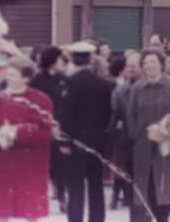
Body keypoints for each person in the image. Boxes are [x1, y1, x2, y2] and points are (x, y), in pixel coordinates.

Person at [0, 56, 54, 221]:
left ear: (25, 78)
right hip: (5, 161)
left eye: (13, 74)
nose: (8, 77)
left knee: (30, 207)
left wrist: (17, 132)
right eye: (7, 73)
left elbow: (46, 131)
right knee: (2, 208)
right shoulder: (1, 99)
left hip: (31, 163)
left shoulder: (41, 100)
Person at [127, 50, 170, 222]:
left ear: (161, 64)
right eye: (145, 63)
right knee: (144, 193)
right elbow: (131, 115)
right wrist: (135, 137)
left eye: (152, 62)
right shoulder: (137, 88)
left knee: (162, 191)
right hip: (142, 148)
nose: (148, 66)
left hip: (165, 147)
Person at [61, 41, 113, 222]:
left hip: (75, 144)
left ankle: (75, 219)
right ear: (91, 59)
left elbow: (65, 115)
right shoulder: (104, 85)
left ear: (73, 59)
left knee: (75, 187)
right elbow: (108, 115)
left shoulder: (69, 83)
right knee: (96, 185)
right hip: (96, 143)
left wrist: (65, 142)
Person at [29, 46, 69, 212]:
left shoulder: (63, 78)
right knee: (41, 164)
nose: (62, 62)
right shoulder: (37, 80)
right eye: (60, 58)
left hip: (60, 126)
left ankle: (61, 196)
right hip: (42, 127)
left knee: (60, 164)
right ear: (52, 60)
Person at [109, 51, 142, 209]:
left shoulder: (146, 88)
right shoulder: (120, 90)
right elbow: (115, 113)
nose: (130, 69)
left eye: (134, 66)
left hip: (145, 138)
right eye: (128, 66)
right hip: (126, 138)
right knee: (128, 171)